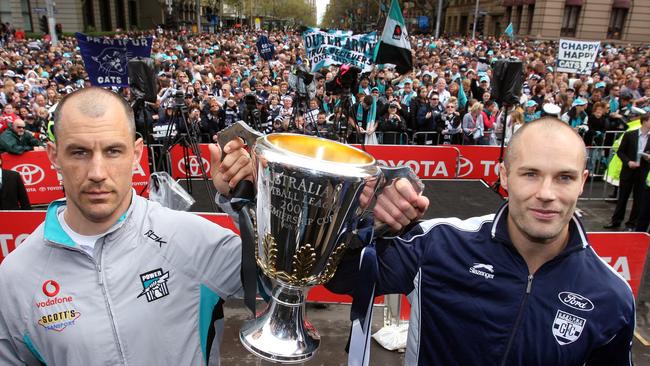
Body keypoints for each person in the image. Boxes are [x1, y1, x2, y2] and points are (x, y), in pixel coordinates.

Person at [328, 117, 635, 365]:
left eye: (564, 178)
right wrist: (364, 223)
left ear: (583, 181)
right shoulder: (439, 244)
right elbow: (341, 278)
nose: (546, 193)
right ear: (503, 175)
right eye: (530, 174)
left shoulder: (612, 296)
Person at [0, 87, 255, 365]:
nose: (97, 173)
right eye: (79, 152)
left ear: (136, 153)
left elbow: (283, 281)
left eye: (113, 151)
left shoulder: (188, 238)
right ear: (53, 155)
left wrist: (248, 201)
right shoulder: (14, 279)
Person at [604, 113, 650, 230]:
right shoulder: (630, 135)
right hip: (628, 170)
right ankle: (616, 220)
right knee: (622, 198)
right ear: (644, 121)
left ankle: (631, 223)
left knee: (638, 200)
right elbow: (620, 152)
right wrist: (628, 162)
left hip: (643, 171)